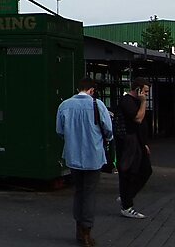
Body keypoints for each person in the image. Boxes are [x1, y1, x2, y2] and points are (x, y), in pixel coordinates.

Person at [56, 77, 112, 247]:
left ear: (78, 89)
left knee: (78, 192)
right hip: (93, 156)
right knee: (89, 193)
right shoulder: (98, 105)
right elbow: (108, 130)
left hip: (73, 157)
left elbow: (60, 131)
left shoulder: (64, 105)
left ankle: (78, 229)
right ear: (92, 90)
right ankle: (87, 231)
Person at [116, 77, 152, 219]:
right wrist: (143, 102)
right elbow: (138, 119)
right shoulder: (127, 101)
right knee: (128, 171)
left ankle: (127, 196)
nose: (146, 94)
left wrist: (144, 143)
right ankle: (127, 205)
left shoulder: (136, 101)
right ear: (137, 89)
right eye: (145, 91)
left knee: (146, 169)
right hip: (128, 142)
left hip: (138, 142)